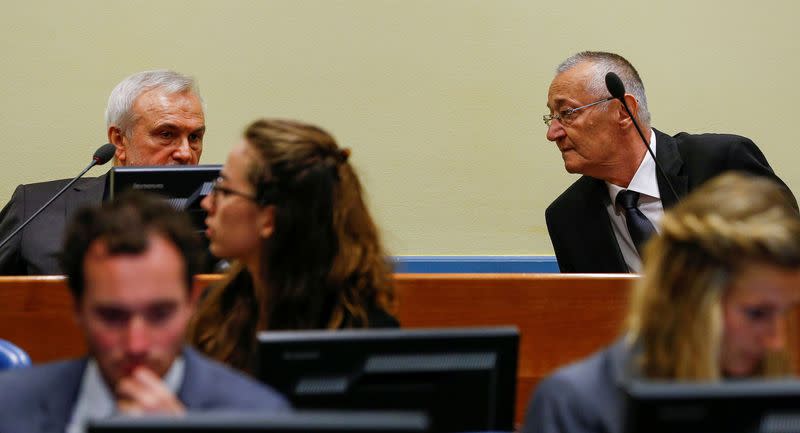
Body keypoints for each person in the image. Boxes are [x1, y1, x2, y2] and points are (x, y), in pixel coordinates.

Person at [522, 172, 800, 433]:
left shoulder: (777, 393)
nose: (776, 341)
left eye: (786, 313)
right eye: (757, 314)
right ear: (686, 296)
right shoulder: (574, 404)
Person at [0, 192, 288, 433]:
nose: (136, 344)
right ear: (78, 308)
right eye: (112, 316)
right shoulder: (8, 404)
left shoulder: (261, 415)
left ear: (191, 303)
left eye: (160, 314)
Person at [543, 51, 793, 273]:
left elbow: (790, 254)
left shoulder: (722, 163)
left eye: (567, 113)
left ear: (622, 111)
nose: (552, 133)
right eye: (551, 118)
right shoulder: (568, 217)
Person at [187, 118, 398, 375]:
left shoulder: (365, 339)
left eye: (224, 190)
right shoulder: (216, 309)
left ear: (269, 218)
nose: (207, 203)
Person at [0, 69, 206, 275]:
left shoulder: (216, 221)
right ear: (119, 140)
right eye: (167, 134)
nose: (186, 153)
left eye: (195, 137)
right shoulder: (34, 208)